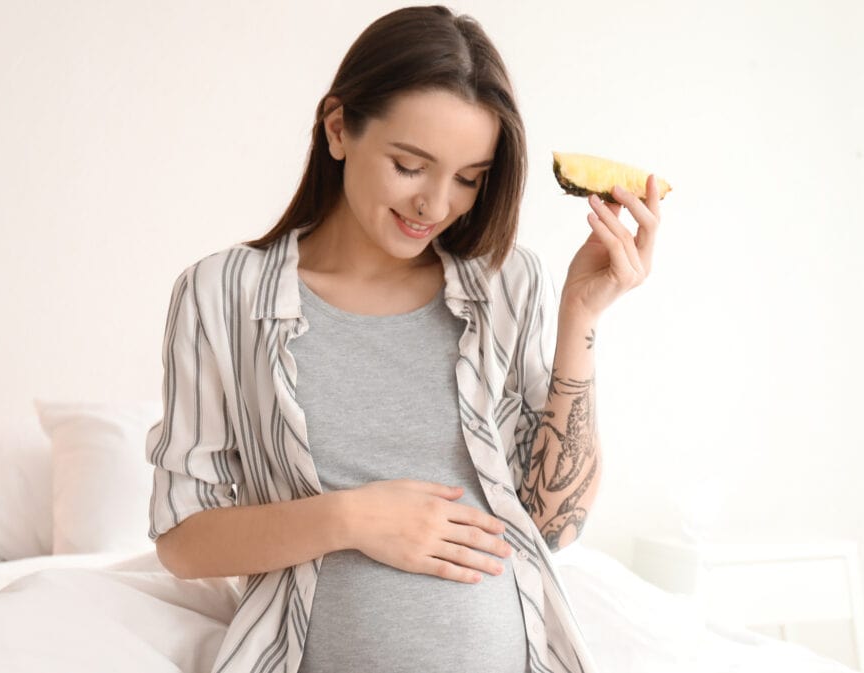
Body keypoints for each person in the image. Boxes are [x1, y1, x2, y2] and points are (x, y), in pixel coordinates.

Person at [144, 5, 661, 673]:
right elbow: (184, 540)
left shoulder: (507, 284)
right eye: (411, 165)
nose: (436, 204)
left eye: (469, 179)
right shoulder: (223, 294)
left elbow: (553, 524)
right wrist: (352, 519)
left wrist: (580, 319)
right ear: (338, 128)